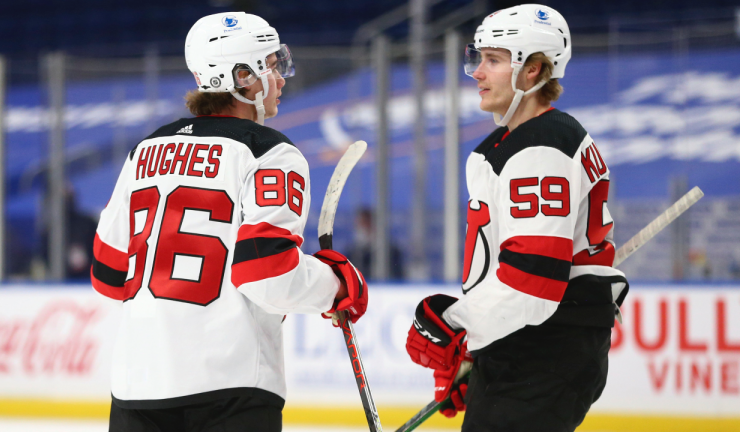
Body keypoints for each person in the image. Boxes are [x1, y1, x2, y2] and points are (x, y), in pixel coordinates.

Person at [90, 12, 368, 432]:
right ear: (242, 77)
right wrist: (336, 284)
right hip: (229, 390)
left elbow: (108, 273)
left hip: (136, 388)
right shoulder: (270, 152)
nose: (282, 78)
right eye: (272, 66)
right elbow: (266, 274)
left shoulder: (145, 150)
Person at [404, 5, 629, 431]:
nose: (477, 72)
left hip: (544, 350)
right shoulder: (521, 142)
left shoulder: (541, 147)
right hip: (528, 345)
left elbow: (533, 281)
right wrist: (480, 348)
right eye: (478, 58)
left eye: (493, 60)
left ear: (534, 71)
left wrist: (455, 324)